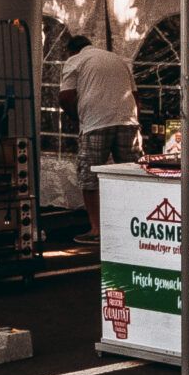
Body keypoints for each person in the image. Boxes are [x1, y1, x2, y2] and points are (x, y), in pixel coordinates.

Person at [56, 32, 139, 243]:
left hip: (96, 123)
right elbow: (134, 94)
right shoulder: (117, 59)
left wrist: (77, 118)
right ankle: (132, 225)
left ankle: (97, 229)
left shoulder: (75, 60)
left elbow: (65, 97)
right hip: (127, 120)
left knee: (90, 177)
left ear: (72, 51)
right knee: (132, 175)